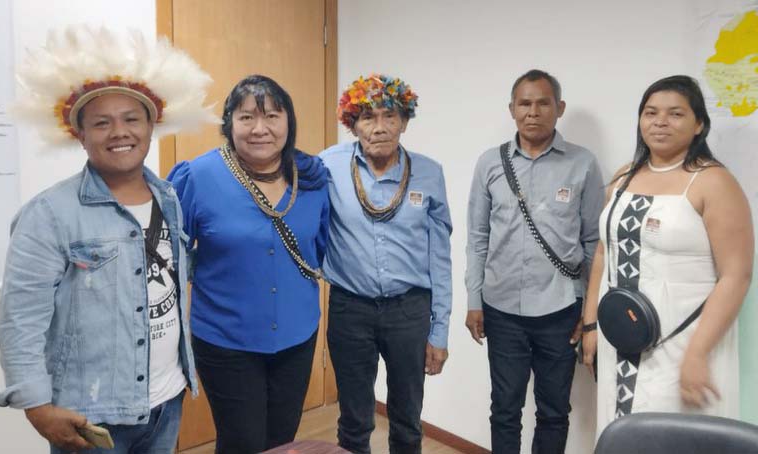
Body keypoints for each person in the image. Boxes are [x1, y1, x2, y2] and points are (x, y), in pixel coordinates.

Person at [0, 25, 216, 453]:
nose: (119, 132)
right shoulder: (49, 213)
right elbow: (20, 319)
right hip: (91, 414)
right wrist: (37, 407)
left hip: (167, 400)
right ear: (80, 135)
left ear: (153, 125)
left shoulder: (168, 196)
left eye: (132, 119)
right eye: (101, 123)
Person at [580, 75, 753, 436]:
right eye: (650, 112)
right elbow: (602, 252)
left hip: (684, 344)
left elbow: (736, 276)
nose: (660, 122)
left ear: (699, 124)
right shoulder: (624, 176)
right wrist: (591, 323)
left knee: (675, 439)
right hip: (622, 341)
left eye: (675, 113)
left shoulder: (713, 182)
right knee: (622, 432)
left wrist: (697, 353)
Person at [168, 74, 329, 454]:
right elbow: (171, 256)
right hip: (226, 340)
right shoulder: (198, 176)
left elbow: (318, 248)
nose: (260, 129)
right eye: (246, 118)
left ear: (289, 123)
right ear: (229, 124)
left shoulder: (311, 178)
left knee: (281, 441)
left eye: (272, 116)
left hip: (297, 335)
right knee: (242, 443)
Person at [465, 69, 604, 454]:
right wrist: (474, 300)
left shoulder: (584, 164)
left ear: (559, 108)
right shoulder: (489, 164)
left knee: (554, 411)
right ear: (512, 109)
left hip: (561, 308)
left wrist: (588, 310)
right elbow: (477, 238)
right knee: (505, 410)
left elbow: (594, 242)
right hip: (501, 308)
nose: (533, 112)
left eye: (543, 103)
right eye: (524, 103)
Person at [321, 74, 452, 454]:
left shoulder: (429, 172)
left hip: (410, 310)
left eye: (389, 116)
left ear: (405, 121)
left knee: (408, 419)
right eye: (367, 117)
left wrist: (439, 332)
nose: (379, 127)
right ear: (352, 124)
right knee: (354, 420)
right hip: (350, 309)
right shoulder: (327, 165)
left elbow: (440, 256)